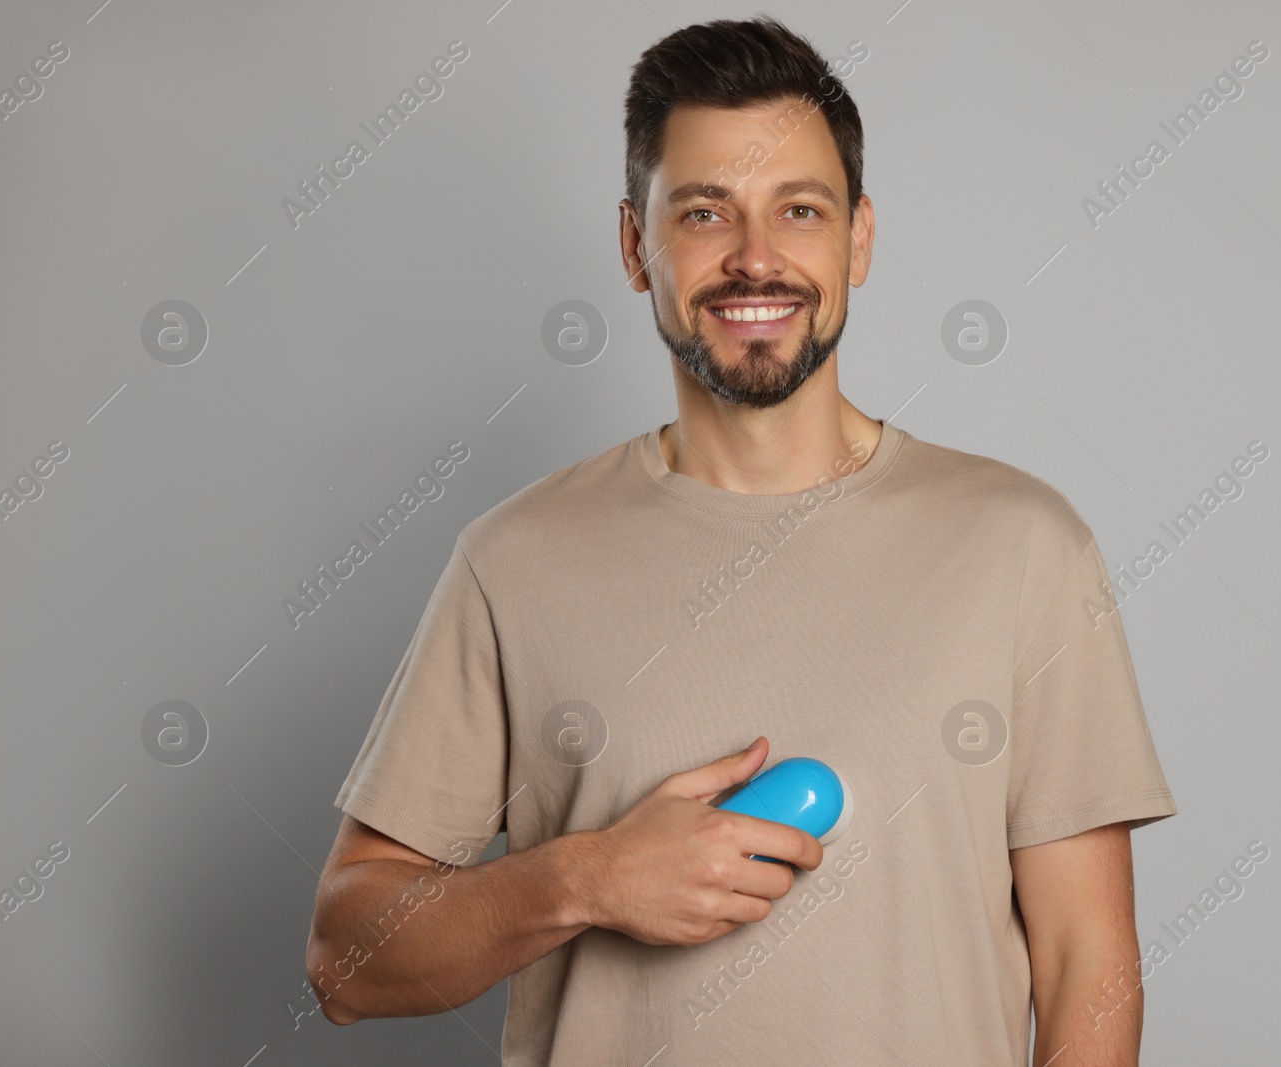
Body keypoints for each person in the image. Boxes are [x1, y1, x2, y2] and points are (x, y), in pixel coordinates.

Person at [306, 15, 1176, 1066]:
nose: (755, 257)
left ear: (857, 237)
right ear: (637, 246)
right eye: (705, 212)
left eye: (797, 210)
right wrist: (584, 877)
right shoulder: (514, 558)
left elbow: (1090, 958)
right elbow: (346, 959)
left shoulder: (1024, 546)